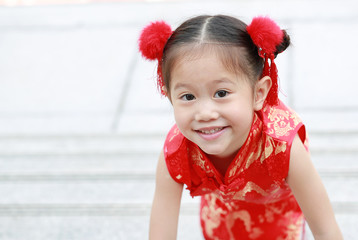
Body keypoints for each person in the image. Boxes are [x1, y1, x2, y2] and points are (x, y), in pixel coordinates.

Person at [138, 15, 343, 240]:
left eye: (222, 93)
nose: (205, 113)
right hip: (219, 219)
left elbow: (326, 231)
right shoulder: (176, 153)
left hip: (278, 221)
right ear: (169, 97)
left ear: (259, 94)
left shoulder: (283, 148)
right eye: (188, 96)